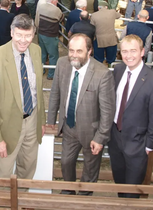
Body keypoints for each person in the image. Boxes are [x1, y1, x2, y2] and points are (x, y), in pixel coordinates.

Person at [47, 34, 114, 195]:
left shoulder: (102, 74)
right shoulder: (62, 64)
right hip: (68, 127)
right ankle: (69, 189)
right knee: (65, 161)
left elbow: (107, 111)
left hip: (92, 132)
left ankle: (85, 195)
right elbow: (55, 92)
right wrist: (51, 120)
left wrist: (100, 138)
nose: (74, 55)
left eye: (79, 51)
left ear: (89, 51)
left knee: (90, 167)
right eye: (71, 50)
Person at [0, 14, 46, 180]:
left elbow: (37, 90)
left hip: (32, 121)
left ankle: (21, 202)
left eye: (28, 36)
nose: (23, 40)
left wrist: (41, 121)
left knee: (28, 168)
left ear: (33, 34)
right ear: (11, 33)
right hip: (7, 127)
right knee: (3, 175)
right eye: (19, 35)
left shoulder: (37, 51)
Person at [108, 34, 153, 198]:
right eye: (124, 51)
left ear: (142, 52)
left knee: (132, 191)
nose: (128, 56)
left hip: (138, 144)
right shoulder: (118, 70)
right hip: (115, 139)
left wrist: (149, 145)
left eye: (133, 51)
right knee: (119, 183)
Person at [35, 0, 64, 80]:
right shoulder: (56, 10)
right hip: (51, 35)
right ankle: (51, 74)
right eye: (56, 0)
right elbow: (61, 19)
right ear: (53, 1)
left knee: (43, 53)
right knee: (53, 55)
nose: (57, 2)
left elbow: (37, 19)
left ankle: (41, 70)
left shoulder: (41, 6)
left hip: (41, 33)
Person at [91, 1, 121, 65]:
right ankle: (111, 69)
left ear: (98, 7)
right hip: (111, 39)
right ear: (106, 7)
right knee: (111, 59)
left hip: (99, 40)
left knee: (98, 60)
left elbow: (92, 26)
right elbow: (119, 15)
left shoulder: (94, 15)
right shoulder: (112, 12)